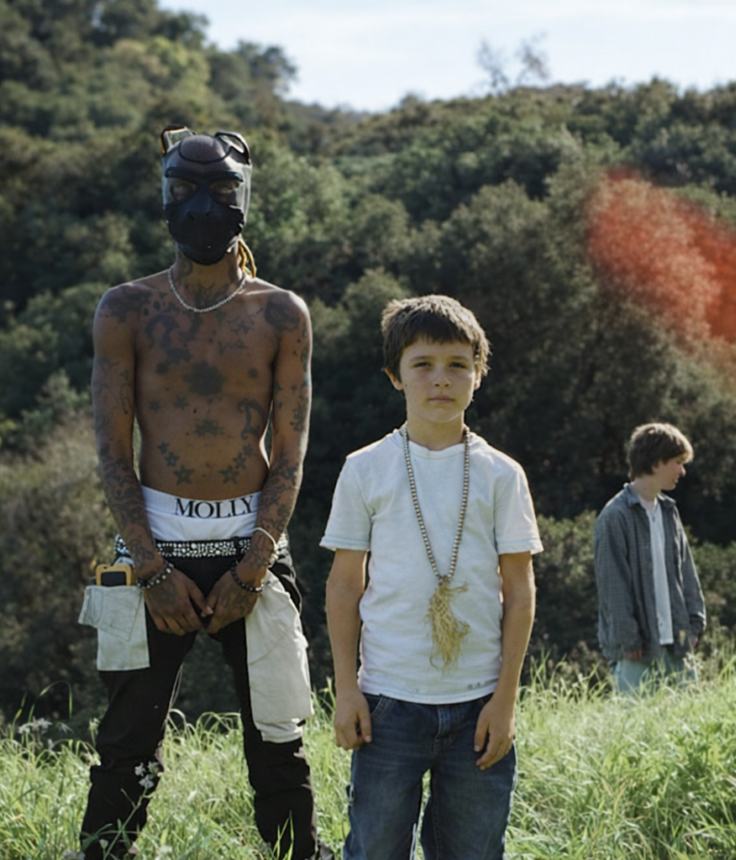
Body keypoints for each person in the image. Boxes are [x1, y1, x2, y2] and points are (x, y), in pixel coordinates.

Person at [78, 126, 331, 860]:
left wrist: (253, 569)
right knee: (125, 741)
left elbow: (292, 451)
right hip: (149, 548)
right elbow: (112, 449)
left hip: (250, 545)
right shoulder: (125, 309)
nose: (201, 210)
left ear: (244, 201)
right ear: (163, 196)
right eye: (185, 192)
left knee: (279, 736)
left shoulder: (282, 314)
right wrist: (152, 570)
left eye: (220, 194)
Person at [322, 294, 542, 860]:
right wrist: (346, 690)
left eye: (457, 365)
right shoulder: (365, 468)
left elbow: (519, 593)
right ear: (395, 376)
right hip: (388, 703)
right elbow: (345, 587)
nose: (440, 380)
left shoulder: (502, 475)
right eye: (423, 365)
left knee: (472, 851)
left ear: (477, 374)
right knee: (374, 849)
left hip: (478, 704)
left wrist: (505, 701)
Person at [593, 422, 705, 694]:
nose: (682, 471)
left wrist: (694, 624)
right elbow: (613, 585)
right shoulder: (614, 516)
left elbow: (686, 572)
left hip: (678, 644)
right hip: (638, 651)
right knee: (637, 731)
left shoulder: (669, 511)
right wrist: (629, 639)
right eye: (677, 462)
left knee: (689, 724)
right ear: (656, 462)